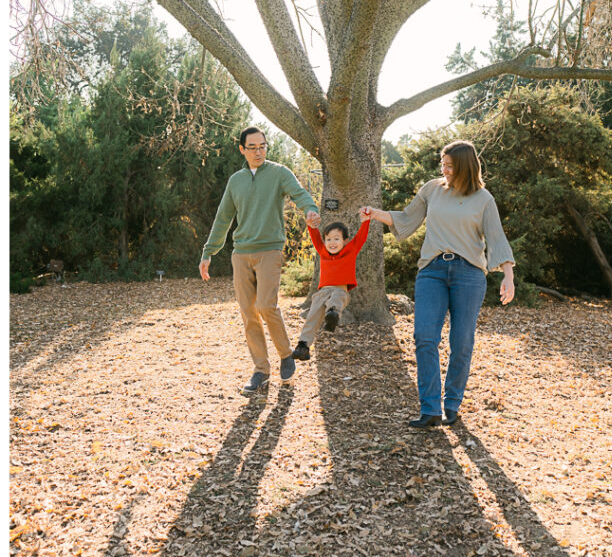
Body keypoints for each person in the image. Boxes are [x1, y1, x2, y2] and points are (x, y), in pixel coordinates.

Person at [362, 139, 514, 429]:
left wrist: (508, 276)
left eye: (450, 166)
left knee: (461, 341)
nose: (444, 170)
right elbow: (407, 219)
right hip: (432, 270)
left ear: (466, 168)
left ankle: (452, 404)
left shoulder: (483, 199)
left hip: (468, 274)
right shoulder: (432, 189)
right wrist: (375, 214)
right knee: (424, 337)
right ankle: (430, 408)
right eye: (442, 164)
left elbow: (496, 238)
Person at [199, 126, 320, 394]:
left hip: (269, 250)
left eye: (262, 146)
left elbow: (299, 194)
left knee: (266, 305)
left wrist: (310, 209)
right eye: (252, 147)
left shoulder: (279, 173)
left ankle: (286, 354)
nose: (258, 151)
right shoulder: (236, 181)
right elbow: (223, 218)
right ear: (242, 150)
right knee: (248, 313)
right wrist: (209, 251)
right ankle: (260, 371)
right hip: (241, 253)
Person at [292, 216, 370, 360]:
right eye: (328, 239)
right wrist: (310, 225)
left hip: (340, 291)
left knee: (337, 298)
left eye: (336, 239)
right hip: (323, 292)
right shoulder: (322, 251)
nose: (332, 243)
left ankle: (333, 314)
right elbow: (315, 237)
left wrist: (366, 221)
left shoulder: (351, 250)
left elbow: (361, 237)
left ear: (345, 241)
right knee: (312, 315)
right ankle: (303, 346)